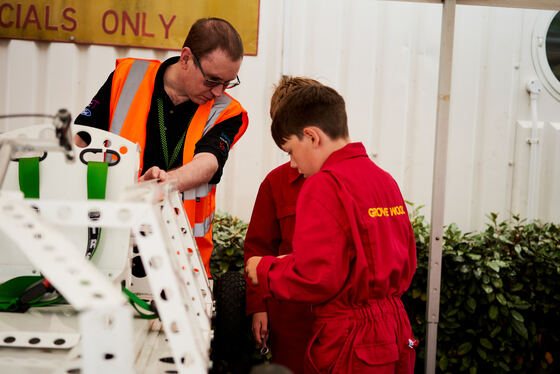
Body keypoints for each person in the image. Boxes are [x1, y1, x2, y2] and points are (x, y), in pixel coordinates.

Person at [246, 84, 417, 373]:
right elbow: (386, 258)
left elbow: (318, 277)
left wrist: (262, 270)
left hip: (349, 339)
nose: (295, 165)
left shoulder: (323, 183)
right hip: (393, 332)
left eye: (291, 151)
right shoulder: (384, 180)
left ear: (312, 136)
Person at [75, 18, 249, 276]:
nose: (218, 91)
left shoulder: (228, 111)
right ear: (186, 58)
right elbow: (81, 142)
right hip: (109, 242)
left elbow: (208, 163)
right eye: (212, 80)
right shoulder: (127, 77)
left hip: (180, 259)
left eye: (228, 82)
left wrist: (158, 185)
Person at [244, 76, 322, 374]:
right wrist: (258, 307)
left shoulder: (344, 182)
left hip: (334, 321)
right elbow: (257, 247)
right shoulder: (275, 183)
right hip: (289, 319)